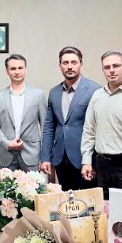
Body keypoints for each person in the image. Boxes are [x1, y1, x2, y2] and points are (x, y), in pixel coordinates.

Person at [80, 51, 122, 199]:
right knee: (103, 209)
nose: (111, 70)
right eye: (107, 67)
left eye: (116, 66)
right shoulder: (97, 95)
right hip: (101, 166)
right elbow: (89, 130)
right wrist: (86, 161)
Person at [40, 46, 101, 191]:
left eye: (74, 62)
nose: (69, 66)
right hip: (60, 159)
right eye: (65, 63)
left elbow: (98, 128)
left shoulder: (94, 90)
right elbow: (49, 127)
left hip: (85, 159)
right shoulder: (54, 92)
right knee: (66, 200)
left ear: (81, 64)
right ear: (60, 66)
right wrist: (46, 157)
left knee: (87, 202)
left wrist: (92, 161)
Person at [0, 54, 47, 172]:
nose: (17, 72)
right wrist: (7, 143)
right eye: (13, 68)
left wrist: (45, 156)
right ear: (7, 71)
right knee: (5, 185)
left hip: (32, 153)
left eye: (20, 68)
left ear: (26, 70)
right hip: (6, 154)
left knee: (33, 184)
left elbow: (45, 127)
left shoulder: (38, 95)